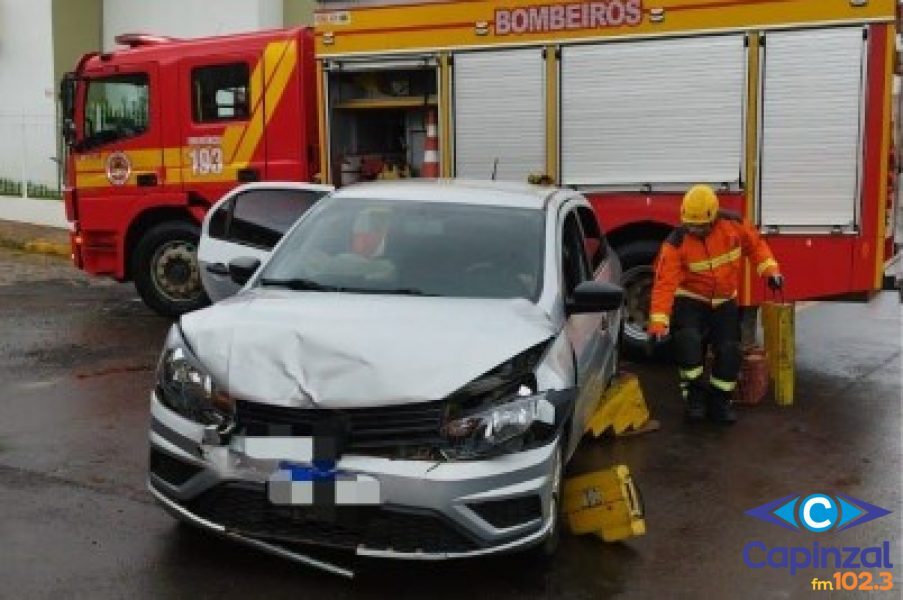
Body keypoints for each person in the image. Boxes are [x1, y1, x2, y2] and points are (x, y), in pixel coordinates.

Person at [647, 184, 784, 423]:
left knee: (730, 351)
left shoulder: (734, 225)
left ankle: (720, 401)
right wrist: (658, 323)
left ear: (713, 218)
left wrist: (771, 271)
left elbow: (756, 247)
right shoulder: (675, 243)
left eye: (699, 225)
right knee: (688, 344)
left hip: (724, 301)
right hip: (691, 298)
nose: (694, 229)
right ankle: (695, 399)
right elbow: (663, 284)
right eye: (690, 224)